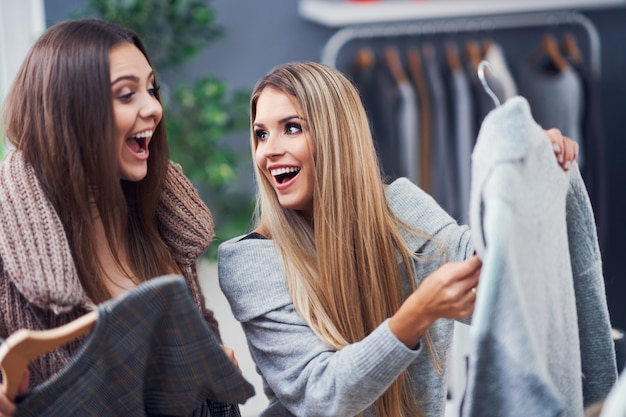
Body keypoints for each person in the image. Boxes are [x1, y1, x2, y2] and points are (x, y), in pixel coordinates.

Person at [218, 61, 579, 417]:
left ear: (337, 136)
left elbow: (490, 272)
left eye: (291, 128)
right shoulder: (251, 261)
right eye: (261, 134)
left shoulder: (402, 210)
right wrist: (417, 313)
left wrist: (527, 171)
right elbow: (321, 395)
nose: (268, 151)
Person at [0, 19, 240, 416]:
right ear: (67, 112)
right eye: (126, 94)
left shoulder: (159, 223)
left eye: (151, 89)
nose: (154, 108)